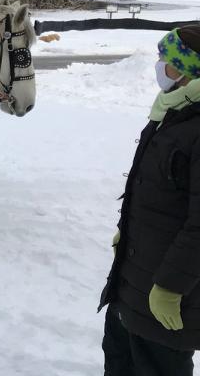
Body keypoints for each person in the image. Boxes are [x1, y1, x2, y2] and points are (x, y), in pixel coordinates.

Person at [100, 25, 200, 376]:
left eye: (168, 61)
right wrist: (126, 234)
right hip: (133, 280)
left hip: (166, 297)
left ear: (190, 71)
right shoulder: (172, 111)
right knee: (120, 360)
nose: (159, 66)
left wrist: (171, 288)